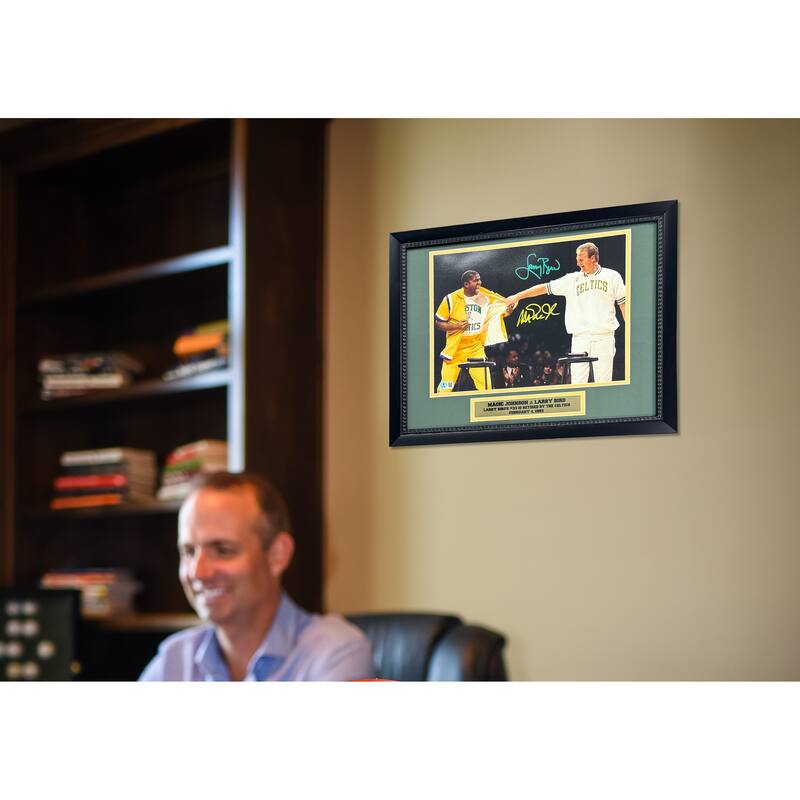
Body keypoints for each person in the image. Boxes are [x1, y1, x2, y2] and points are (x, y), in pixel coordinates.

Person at [139, 472, 374, 681]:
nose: (197, 572)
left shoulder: (336, 652)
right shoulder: (174, 659)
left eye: (223, 550)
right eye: (189, 552)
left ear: (277, 555)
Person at [505, 242, 626, 384]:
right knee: (577, 383)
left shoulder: (612, 276)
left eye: (581, 259)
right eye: (576, 258)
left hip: (604, 336)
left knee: (603, 383)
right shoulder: (572, 279)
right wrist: (517, 296)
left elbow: (623, 304)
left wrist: (632, 332)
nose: (577, 262)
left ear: (593, 258)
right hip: (580, 338)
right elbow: (544, 288)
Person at [434, 270, 510, 392]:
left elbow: (500, 309)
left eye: (479, 279)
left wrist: (508, 310)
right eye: (476, 280)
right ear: (466, 284)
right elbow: (438, 324)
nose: (480, 282)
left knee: (486, 388)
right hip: (455, 350)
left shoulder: (485, 296)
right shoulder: (450, 299)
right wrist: (456, 326)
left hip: (476, 347)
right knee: (444, 389)